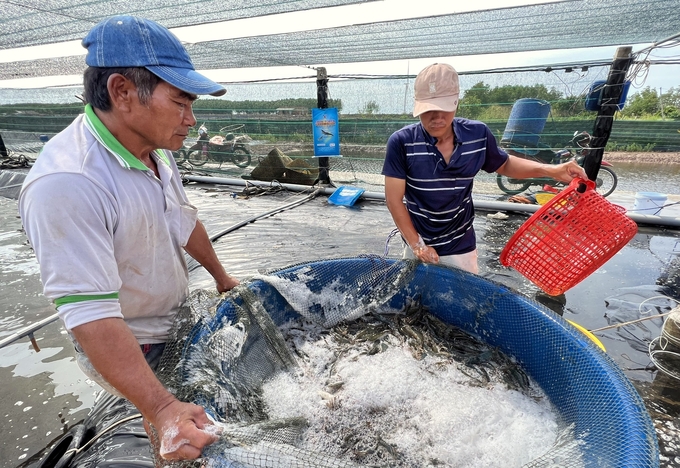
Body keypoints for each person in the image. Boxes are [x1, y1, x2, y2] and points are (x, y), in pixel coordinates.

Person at [18, 15, 239, 462]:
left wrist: (221, 277)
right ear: (121, 92)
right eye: (180, 102)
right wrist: (161, 407)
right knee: (168, 428)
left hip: (171, 318)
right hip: (130, 339)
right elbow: (90, 315)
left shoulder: (154, 150)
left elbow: (181, 220)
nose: (191, 119)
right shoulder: (68, 182)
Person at [382, 63, 588, 274]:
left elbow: (505, 163)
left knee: (463, 298)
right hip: (418, 238)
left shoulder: (477, 134)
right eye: (428, 110)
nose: (437, 118)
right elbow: (393, 199)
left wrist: (550, 170)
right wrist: (417, 245)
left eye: (444, 108)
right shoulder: (401, 142)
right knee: (416, 298)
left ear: (456, 101)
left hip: (460, 243)